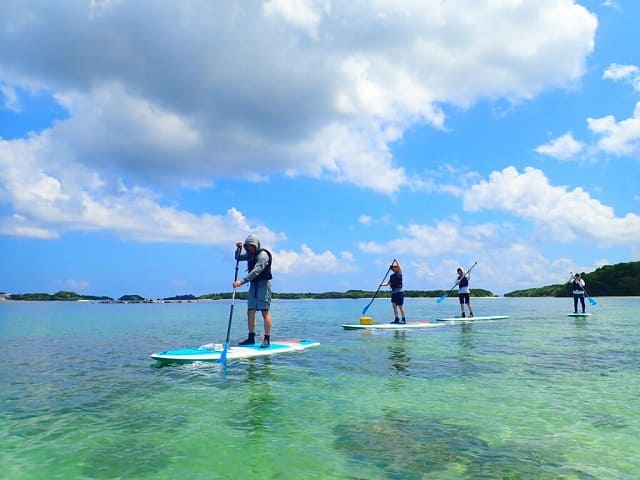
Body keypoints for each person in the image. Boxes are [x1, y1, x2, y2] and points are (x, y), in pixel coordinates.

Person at [233, 234, 273, 348]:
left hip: (263, 285)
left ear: (256, 245)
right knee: (250, 311)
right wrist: (238, 249)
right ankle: (251, 338)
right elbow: (238, 258)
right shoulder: (250, 254)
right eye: (247, 246)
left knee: (264, 312)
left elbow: (256, 271)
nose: (249, 248)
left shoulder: (263, 256)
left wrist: (241, 281)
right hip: (253, 285)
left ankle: (267, 339)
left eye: (251, 246)